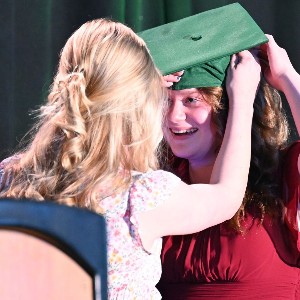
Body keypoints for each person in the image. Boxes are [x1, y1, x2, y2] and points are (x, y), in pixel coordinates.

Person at [0, 19, 260, 299]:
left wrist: (137, 85)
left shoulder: (8, 176)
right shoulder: (139, 197)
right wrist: (243, 98)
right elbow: (226, 197)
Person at [156, 35, 300, 299]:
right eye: (166, 101)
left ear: (229, 105)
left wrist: (287, 76)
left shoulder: (280, 176)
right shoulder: (156, 186)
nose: (173, 117)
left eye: (191, 100)